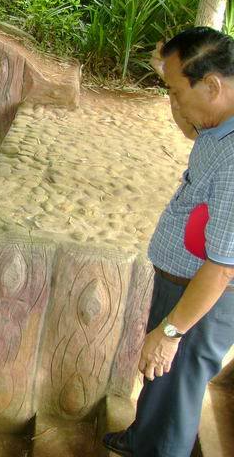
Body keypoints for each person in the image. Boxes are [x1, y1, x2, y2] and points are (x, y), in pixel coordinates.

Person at [103, 27, 234, 457]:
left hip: (204, 298)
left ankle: (158, 448)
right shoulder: (219, 123)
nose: (174, 104)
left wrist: (173, 331)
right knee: (161, 379)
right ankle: (142, 438)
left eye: (177, 92)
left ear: (213, 85)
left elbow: (223, 267)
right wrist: (169, 75)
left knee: (177, 389)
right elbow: (191, 128)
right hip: (183, 281)